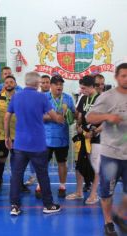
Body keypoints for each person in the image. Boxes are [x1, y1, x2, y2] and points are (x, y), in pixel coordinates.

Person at [5, 71, 63, 216]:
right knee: (42, 175)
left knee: (16, 175)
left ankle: (14, 206)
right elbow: (55, 117)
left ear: (25, 82)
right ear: (37, 83)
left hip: (20, 144)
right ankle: (48, 205)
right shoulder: (41, 97)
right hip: (37, 144)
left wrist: (7, 136)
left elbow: (6, 118)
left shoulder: (16, 97)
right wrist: (61, 114)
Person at [86, 63, 127, 236]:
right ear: (117, 77)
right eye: (124, 75)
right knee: (106, 192)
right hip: (111, 154)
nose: (126, 78)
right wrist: (107, 116)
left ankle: (118, 215)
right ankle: (108, 222)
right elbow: (90, 117)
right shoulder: (108, 97)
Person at [66, 75, 101, 205]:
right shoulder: (83, 98)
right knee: (79, 164)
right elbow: (80, 117)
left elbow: (107, 121)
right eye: (81, 87)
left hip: (97, 137)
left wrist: (94, 132)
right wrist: (78, 126)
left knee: (96, 166)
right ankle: (79, 192)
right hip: (83, 137)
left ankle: (94, 194)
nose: (81, 90)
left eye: (83, 87)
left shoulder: (101, 99)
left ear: (92, 86)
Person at [0, 75, 28, 193]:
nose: (8, 84)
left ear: (15, 84)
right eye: (6, 82)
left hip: (18, 135)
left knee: (18, 161)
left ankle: (20, 184)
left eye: (11, 82)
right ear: (3, 85)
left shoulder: (21, 99)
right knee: (1, 160)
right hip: (2, 135)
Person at [43, 75, 75, 198]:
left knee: (62, 162)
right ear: (50, 86)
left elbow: (73, 115)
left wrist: (71, 115)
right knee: (43, 164)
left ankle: (62, 186)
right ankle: (41, 185)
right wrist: (55, 117)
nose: (59, 86)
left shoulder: (68, 98)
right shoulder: (44, 98)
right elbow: (38, 116)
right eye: (56, 84)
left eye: (61, 84)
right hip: (45, 138)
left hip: (62, 138)